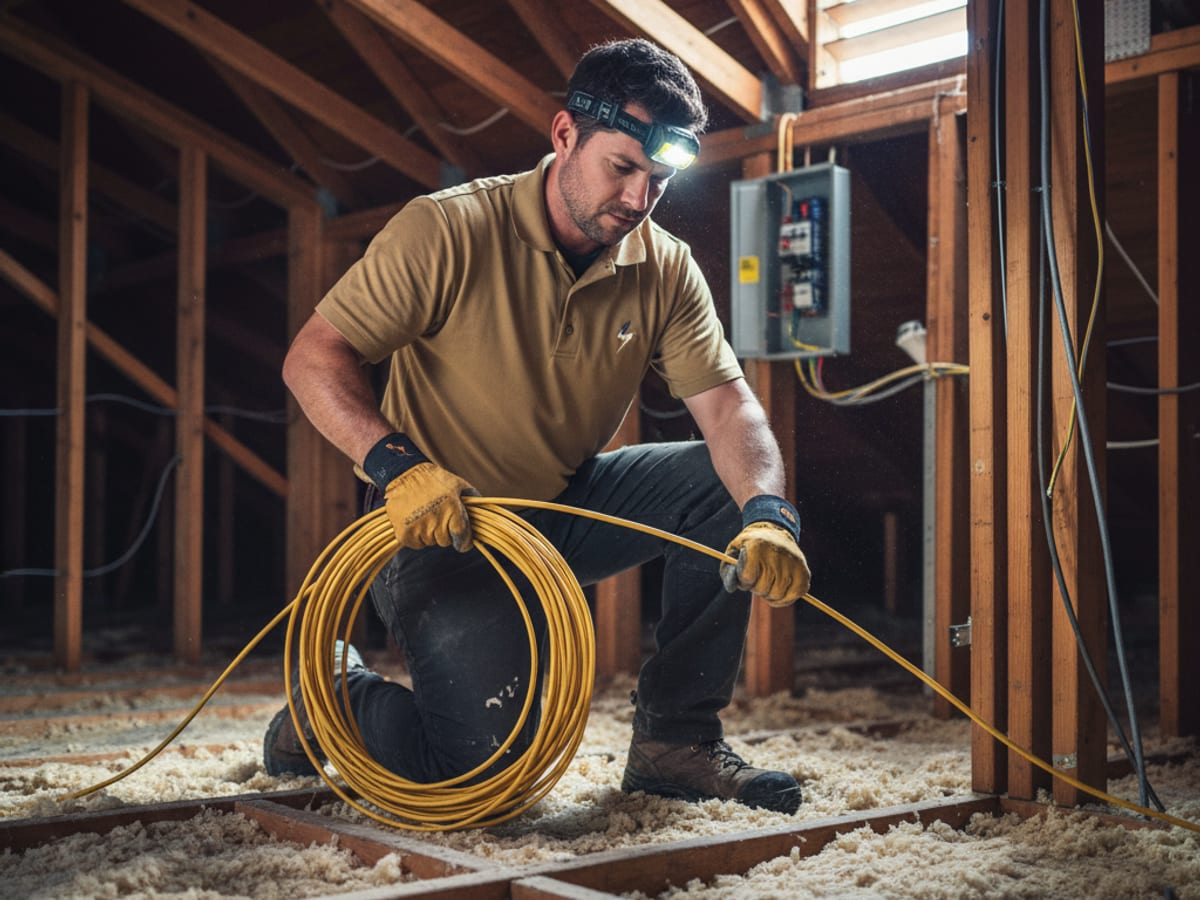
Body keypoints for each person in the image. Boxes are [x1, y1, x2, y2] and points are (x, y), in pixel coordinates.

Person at [264, 37, 813, 816]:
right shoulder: (448, 229)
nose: (638, 198)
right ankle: (330, 696)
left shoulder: (664, 266)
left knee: (724, 486)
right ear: (564, 135)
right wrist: (397, 466)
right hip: (438, 525)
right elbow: (314, 358)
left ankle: (676, 743)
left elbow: (731, 408)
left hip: (561, 506)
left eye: (658, 181)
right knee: (475, 775)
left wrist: (768, 514)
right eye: (622, 168)